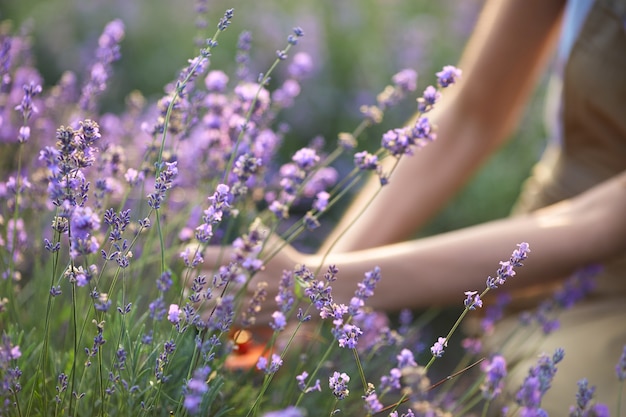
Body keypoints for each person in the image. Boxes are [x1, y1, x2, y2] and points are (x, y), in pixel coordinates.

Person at [207, 0, 626, 412]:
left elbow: (600, 224)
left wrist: (314, 287)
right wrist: (313, 289)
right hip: (562, 244)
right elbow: (473, 113)